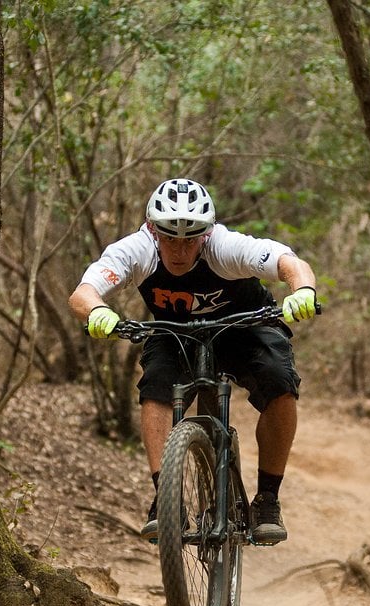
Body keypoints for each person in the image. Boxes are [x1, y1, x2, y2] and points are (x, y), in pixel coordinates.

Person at [69, 178, 318, 545]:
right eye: (170, 238)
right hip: (176, 332)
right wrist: (98, 313)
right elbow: (84, 293)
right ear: (153, 230)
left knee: (280, 381)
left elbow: (290, 263)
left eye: (190, 239)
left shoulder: (225, 246)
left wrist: (303, 291)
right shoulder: (136, 250)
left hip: (245, 325)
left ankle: (267, 500)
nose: (180, 250)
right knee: (156, 387)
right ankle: (165, 501)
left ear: (206, 233)